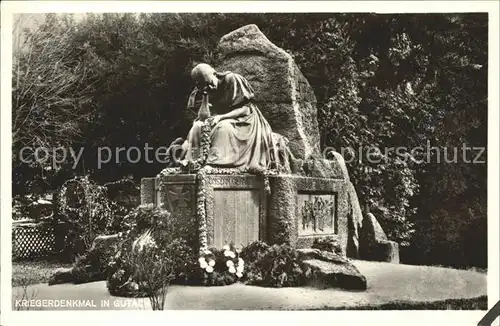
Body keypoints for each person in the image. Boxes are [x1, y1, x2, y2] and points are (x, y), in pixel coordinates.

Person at [177, 63, 284, 170]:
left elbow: (245, 109)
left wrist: (221, 117)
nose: (209, 87)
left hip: (243, 119)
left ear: (215, 74)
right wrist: (205, 96)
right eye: (204, 85)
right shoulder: (202, 90)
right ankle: (194, 160)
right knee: (197, 127)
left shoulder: (232, 79)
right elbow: (202, 116)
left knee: (223, 128)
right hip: (217, 118)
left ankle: (216, 163)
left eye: (210, 83)